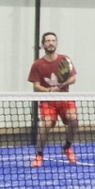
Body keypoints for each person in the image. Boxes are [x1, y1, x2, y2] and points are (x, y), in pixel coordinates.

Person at [28, 31, 78, 167]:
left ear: (56, 43)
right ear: (43, 44)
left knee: (73, 119)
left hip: (65, 99)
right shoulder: (37, 65)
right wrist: (49, 90)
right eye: (48, 41)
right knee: (47, 124)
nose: (51, 43)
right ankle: (39, 155)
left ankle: (67, 147)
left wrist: (63, 84)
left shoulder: (65, 60)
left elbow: (73, 78)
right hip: (47, 101)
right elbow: (36, 86)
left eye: (53, 40)